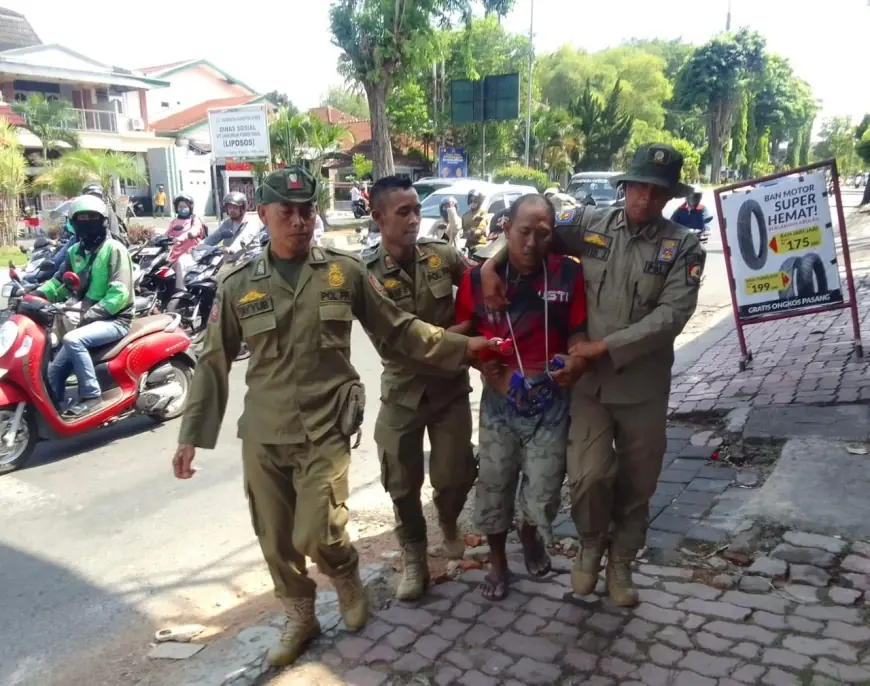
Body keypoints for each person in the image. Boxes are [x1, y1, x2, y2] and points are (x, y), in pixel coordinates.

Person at [172, 166, 494, 668]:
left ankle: (345, 574)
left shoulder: (344, 272)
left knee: (318, 533)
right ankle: (301, 615)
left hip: (326, 425)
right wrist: (192, 435)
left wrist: (460, 345)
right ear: (264, 215)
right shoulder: (237, 285)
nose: (299, 222)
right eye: (287, 212)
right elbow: (213, 360)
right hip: (264, 429)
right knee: (276, 539)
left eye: (307, 211)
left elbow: (399, 327)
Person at [480, 144, 705, 607]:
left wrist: (602, 346)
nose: (644, 198)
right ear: (625, 187)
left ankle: (620, 564)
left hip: (641, 386)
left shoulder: (682, 246)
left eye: (656, 191)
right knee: (587, 477)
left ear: (667, 198)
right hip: (589, 387)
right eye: (638, 186)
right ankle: (589, 548)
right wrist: (490, 265)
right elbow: (534, 234)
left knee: (637, 484)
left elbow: (672, 314)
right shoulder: (591, 224)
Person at [453, 194, 588, 600]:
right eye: (523, 232)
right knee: (494, 484)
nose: (531, 243)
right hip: (500, 399)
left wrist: (576, 358)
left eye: (542, 234)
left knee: (545, 489)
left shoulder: (567, 274)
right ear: (506, 229)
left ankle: (530, 534)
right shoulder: (478, 279)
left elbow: (579, 330)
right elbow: (461, 338)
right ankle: (497, 559)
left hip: (551, 399)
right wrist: (488, 372)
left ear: (552, 236)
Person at [362, 177, 477, 601]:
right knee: (401, 483)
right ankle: (413, 557)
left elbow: (478, 289)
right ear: (378, 218)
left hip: (449, 390)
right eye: (402, 212)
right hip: (403, 391)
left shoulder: (442, 256)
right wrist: (459, 339)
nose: (414, 219)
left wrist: (469, 325)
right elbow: (395, 337)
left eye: (416, 209)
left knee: (454, 474)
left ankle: (448, 521)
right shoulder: (365, 274)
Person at [36, 195, 134, 417]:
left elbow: (119, 294)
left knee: (72, 339)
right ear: (73, 222)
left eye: (92, 217)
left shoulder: (114, 249)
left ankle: (92, 396)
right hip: (85, 315)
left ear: (103, 220)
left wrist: (89, 315)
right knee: (53, 370)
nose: (86, 221)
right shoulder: (75, 252)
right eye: (81, 217)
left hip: (115, 319)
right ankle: (51, 412)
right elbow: (60, 282)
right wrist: (37, 294)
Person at [166, 193, 206, 291]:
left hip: (191, 254)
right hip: (174, 254)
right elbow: (167, 234)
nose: (182, 209)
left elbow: (194, 230)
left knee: (181, 262)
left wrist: (182, 237)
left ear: (190, 207)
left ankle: (181, 291)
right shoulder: (174, 221)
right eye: (180, 206)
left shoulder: (194, 220)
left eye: (185, 206)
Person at [462, 190, 488, 254]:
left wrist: (475, 232)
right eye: (471, 201)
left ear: (479, 202)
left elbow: (482, 226)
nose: (473, 203)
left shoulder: (483, 213)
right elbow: (460, 228)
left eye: (475, 201)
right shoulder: (465, 215)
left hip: (480, 244)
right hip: (467, 244)